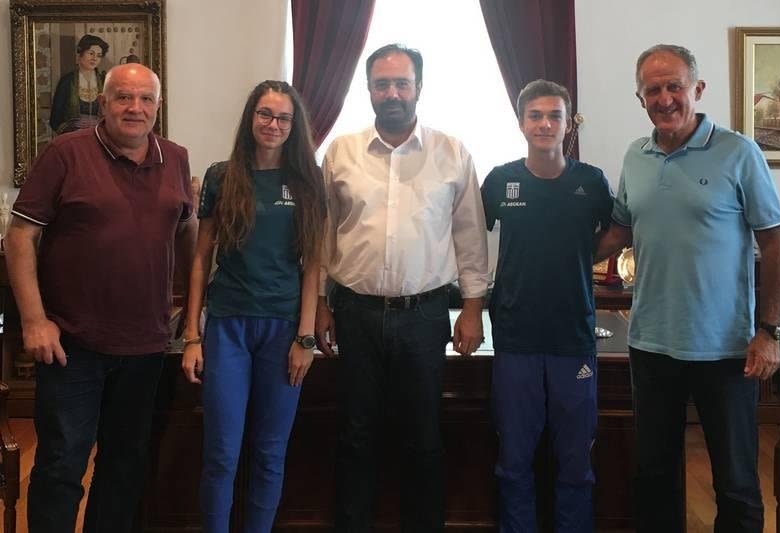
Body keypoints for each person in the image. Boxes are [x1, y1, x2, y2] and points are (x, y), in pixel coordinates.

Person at [595, 44, 780, 533]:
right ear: (640, 98)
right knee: (654, 477)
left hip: (726, 349)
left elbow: (774, 240)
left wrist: (768, 331)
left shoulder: (738, 152)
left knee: (736, 484)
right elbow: (619, 231)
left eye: (674, 86)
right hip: (651, 345)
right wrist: (555, 256)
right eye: (652, 90)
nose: (664, 99)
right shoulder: (635, 156)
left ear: (697, 89)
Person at [6, 64, 197, 533]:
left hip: (146, 345)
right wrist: (34, 320)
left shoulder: (176, 158)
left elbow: (187, 233)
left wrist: (191, 313)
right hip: (73, 345)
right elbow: (20, 236)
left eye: (145, 99)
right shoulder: (65, 153)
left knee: (125, 465)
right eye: (123, 97)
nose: (135, 108)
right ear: (103, 102)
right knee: (61, 466)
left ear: (158, 106)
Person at [315, 43, 490, 533]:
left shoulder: (451, 152)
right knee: (355, 434)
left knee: (424, 436)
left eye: (401, 83)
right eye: (382, 84)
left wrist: (472, 307)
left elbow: (470, 236)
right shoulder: (341, 151)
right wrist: (320, 304)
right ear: (369, 90)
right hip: (355, 313)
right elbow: (324, 234)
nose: (392, 93)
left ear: (418, 88)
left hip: (425, 316)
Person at [180, 80, 325, 532]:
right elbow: (201, 258)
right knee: (221, 452)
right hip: (228, 328)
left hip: (283, 330)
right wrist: (192, 335)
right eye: (265, 114)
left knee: (269, 451)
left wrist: (305, 338)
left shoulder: (307, 180)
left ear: (294, 126)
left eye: (283, 117)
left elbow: (313, 263)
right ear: (250, 118)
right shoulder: (222, 176)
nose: (273, 124)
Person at [482, 79, 613, 532]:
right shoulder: (500, 180)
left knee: (575, 462)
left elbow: (617, 232)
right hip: (515, 337)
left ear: (568, 124)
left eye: (554, 116)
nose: (544, 124)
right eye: (535, 115)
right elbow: (467, 237)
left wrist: (577, 255)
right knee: (514, 459)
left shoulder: (591, 181)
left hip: (573, 338)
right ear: (521, 123)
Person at [50, 34, 109, 135]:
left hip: (99, 136)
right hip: (73, 137)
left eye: (99, 55)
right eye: (91, 53)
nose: (94, 58)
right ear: (80, 53)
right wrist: (72, 127)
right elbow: (55, 120)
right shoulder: (67, 81)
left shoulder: (105, 81)